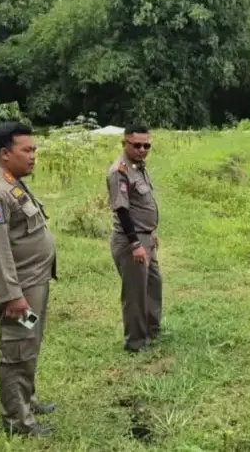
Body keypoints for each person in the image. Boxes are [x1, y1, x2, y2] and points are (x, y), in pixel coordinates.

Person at [0, 121, 58, 437]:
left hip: (32, 280)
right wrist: (12, 296)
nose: (34, 155)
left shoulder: (11, 181)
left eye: (34, 149)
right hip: (18, 287)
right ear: (5, 154)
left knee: (29, 344)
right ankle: (16, 421)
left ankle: (26, 399)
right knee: (17, 349)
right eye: (27, 150)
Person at [106, 124, 162, 352]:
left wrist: (151, 232)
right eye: (136, 145)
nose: (141, 149)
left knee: (153, 285)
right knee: (135, 293)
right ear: (124, 144)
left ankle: (151, 329)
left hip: (145, 237)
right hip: (132, 241)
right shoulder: (119, 171)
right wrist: (136, 243)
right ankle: (136, 342)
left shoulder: (138, 167)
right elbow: (122, 210)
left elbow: (143, 204)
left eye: (146, 145)